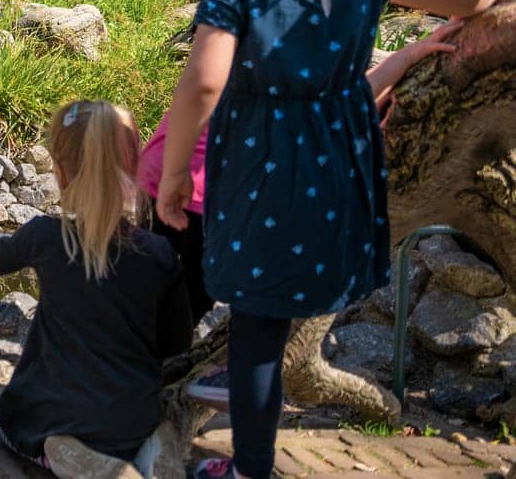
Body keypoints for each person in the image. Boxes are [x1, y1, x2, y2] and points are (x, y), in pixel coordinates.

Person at [155, 0, 510, 479]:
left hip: (261, 172)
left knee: (257, 330)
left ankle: (250, 467)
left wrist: (174, 174)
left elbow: (202, 84)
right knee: (293, 300)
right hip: (336, 171)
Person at [137, 22, 466, 337]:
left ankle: (120, 362)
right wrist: (408, 56)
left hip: (162, 175)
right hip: (197, 196)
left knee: (145, 287)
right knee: (181, 302)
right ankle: (141, 371)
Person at [0, 101, 192, 479]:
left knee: (7, 426)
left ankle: (76, 457)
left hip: (51, 411)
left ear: (60, 173)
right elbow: (177, 341)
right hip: (134, 413)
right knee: (139, 424)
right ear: (133, 165)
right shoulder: (159, 252)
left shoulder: (46, 237)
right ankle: (152, 446)